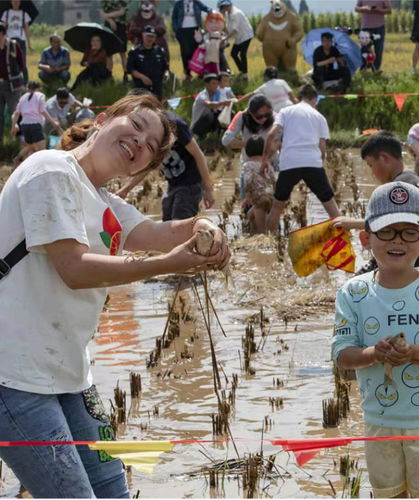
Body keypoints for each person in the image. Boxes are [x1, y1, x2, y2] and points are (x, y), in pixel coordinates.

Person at [0, 93, 230, 498]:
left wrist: (206, 225)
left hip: (70, 374)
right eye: (136, 127)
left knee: (112, 491)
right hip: (15, 375)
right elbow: (74, 268)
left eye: (150, 147)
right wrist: (169, 264)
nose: (139, 143)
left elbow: (158, 234)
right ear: (104, 119)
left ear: (145, 165)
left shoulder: (105, 201)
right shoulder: (51, 169)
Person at [332, 181, 419, 498]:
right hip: (380, 419)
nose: (398, 241)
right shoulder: (354, 292)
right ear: (366, 239)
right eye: (387, 231)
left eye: (409, 232)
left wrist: (414, 353)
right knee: (388, 493)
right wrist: (375, 353)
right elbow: (342, 354)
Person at [333, 131, 419, 272]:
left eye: (371, 165)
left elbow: (397, 223)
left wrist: (350, 223)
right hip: (417, 259)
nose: (372, 173)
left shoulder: (401, 187)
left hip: (408, 263)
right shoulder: (411, 180)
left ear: (383, 158)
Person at [262, 84, 341, 232]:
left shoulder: (286, 111)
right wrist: (320, 164)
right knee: (330, 205)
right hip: (312, 163)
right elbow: (322, 147)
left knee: (277, 206)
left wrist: (265, 159)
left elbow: (271, 134)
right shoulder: (319, 117)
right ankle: (343, 237)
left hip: (289, 163)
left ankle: (270, 242)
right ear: (315, 100)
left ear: (298, 98)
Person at [116, 105, 215, 220]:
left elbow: (198, 155)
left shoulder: (175, 125)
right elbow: (148, 166)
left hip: (190, 182)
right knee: (166, 223)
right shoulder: (146, 134)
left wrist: (208, 189)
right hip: (172, 183)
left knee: (179, 223)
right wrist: (125, 190)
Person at [222, 94, 275, 199]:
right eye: (259, 116)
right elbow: (226, 140)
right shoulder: (241, 116)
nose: (264, 118)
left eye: (267, 115)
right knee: (247, 204)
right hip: (249, 165)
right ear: (251, 113)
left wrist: (269, 147)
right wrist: (251, 144)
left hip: (272, 165)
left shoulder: (276, 117)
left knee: (271, 204)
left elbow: (285, 140)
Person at [10, 81, 63, 165]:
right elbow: (43, 111)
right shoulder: (40, 95)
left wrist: (13, 126)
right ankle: (44, 166)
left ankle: (17, 159)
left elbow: (16, 113)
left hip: (24, 126)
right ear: (38, 88)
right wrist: (53, 122)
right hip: (35, 125)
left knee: (30, 146)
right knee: (42, 150)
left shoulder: (23, 97)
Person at [242, 136, 276, 234]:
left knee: (262, 229)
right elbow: (274, 180)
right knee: (250, 215)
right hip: (270, 197)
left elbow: (248, 181)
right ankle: (253, 235)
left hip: (259, 199)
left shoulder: (248, 165)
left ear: (247, 150)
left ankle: (262, 242)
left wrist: (247, 197)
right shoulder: (268, 164)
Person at [171, 0, 211, 81]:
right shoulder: (178, 4)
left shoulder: (197, 3)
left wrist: (212, 13)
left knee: (197, 51)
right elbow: (174, 17)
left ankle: (200, 72)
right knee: (185, 52)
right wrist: (176, 30)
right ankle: (187, 74)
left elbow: (207, 9)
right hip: (182, 30)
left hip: (195, 30)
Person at [127, 25, 169, 100]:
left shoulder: (160, 51)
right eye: (148, 36)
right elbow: (130, 69)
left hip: (157, 87)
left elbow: (165, 67)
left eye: (152, 36)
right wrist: (142, 77)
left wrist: (166, 74)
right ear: (143, 35)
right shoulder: (135, 52)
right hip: (140, 88)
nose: (150, 39)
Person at [0, 21, 24, 143]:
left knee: (15, 112)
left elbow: (22, 64)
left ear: (3, 33)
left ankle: (18, 141)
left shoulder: (13, 45)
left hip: (12, 85)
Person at [218, 0, 253, 78]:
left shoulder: (236, 13)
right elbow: (228, 27)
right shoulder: (227, 13)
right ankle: (241, 70)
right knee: (233, 53)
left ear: (230, 5)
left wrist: (224, 39)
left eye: (226, 6)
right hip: (238, 37)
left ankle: (245, 75)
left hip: (245, 36)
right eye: (223, 7)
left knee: (242, 54)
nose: (225, 8)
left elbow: (234, 30)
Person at [191, 73, 232, 139]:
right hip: (197, 125)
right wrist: (223, 103)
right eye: (213, 83)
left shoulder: (217, 93)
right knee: (210, 113)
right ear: (206, 85)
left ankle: (222, 135)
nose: (216, 86)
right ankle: (199, 136)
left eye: (217, 83)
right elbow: (209, 105)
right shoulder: (202, 95)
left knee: (228, 113)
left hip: (208, 121)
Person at [1, 0, 32, 84]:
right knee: (11, 62)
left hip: (21, 40)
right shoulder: (6, 13)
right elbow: (2, 29)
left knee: (22, 61)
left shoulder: (24, 14)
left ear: (20, 2)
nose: (16, 3)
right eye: (14, 1)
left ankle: (25, 83)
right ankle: (15, 81)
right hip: (9, 40)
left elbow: (26, 29)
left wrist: (29, 44)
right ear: (11, 2)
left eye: (17, 1)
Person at [355, 0, 391, 71]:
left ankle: (376, 69)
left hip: (379, 27)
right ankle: (364, 67)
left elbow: (389, 10)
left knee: (378, 49)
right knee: (364, 49)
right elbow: (356, 8)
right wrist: (364, 8)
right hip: (366, 27)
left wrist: (379, 10)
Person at [100, 0, 128, 82]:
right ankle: (109, 76)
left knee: (122, 52)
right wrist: (110, 20)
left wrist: (108, 16)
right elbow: (102, 13)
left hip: (121, 26)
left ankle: (126, 75)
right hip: (108, 26)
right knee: (108, 53)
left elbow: (122, 11)